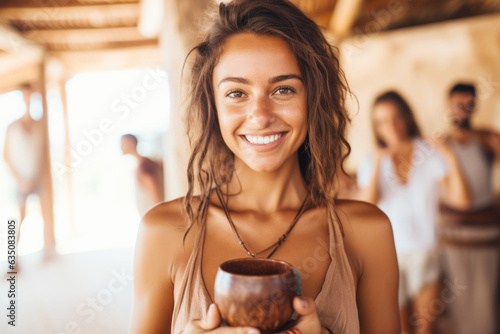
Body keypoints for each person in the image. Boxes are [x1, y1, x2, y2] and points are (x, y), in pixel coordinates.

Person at [130, 1, 400, 333]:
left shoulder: (366, 233)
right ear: (212, 105)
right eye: (237, 93)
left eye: (283, 89)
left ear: (312, 98)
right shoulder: (164, 233)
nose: (260, 115)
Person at [356, 91, 471, 334]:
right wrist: (378, 161)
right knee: (397, 329)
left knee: (425, 329)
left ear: (407, 117)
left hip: (425, 254)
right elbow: (367, 208)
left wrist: (448, 153)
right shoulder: (371, 161)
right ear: (376, 127)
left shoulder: (429, 153)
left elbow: (463, 201)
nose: (391, 126)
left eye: (396, 117)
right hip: (388, 260)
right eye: (382, 122)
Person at [438, 83, 500, 334]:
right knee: (455, 307)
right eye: (457, 104)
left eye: (467, 104)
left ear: (475, 105)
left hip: (485, 237)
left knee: (486, 305)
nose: (461, 110)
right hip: (452, 238)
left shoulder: (486, 140)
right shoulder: (440, 144)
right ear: (447, 105)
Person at [3, 83, 56, 261]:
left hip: (38, 178)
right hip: (20, 180)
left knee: (46, 214)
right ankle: (13, 259)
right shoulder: (12, 126)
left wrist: (41, 176)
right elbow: (6, 156)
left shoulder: (40, 124)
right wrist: (19, 179)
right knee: (17, 219)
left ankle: (48, 251)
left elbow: (44, 153)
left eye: (30, 96)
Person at [121, 134, 164, 216]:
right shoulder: (141, 164)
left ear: (130, 143)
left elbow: (155, 197)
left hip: (155, 217)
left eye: (122, 143)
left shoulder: (144, 165)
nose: (120, 146)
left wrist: (156, 217)